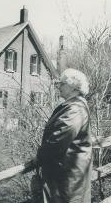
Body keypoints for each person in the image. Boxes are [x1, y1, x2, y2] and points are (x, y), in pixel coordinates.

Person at [23, 68, 92, 203]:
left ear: (73, 87)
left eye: (62, 83)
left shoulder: (75, 109)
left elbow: (57, 141)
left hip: (68, 180)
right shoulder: (75, 106)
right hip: (70, 176)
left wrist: (39, 157)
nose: (58, 86)